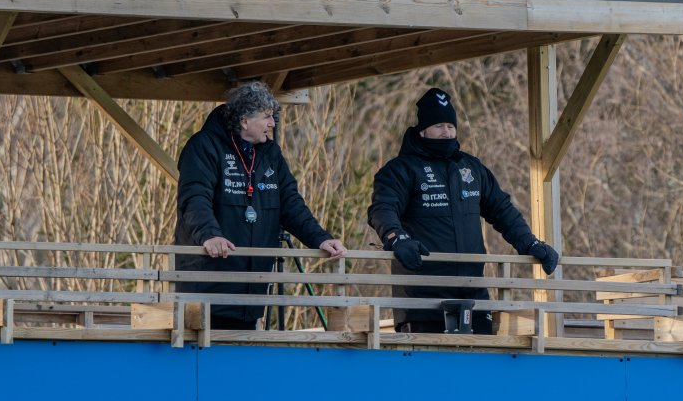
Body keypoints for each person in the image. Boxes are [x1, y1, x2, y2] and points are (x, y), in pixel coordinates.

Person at [367, 87, 558, 335]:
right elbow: (382, 208)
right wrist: (396, 238)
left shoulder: (471, 167)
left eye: (450, 125)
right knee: (429, 371)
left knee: (479, 368)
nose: (446, 132)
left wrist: (530, 243)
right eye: (438, 126)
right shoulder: (401, 169)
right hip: (422, 295)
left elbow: (501, 209)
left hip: (472, 292)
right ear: (422, 129)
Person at [175, 81, 346, 329]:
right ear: (244, 120)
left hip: (251, 292)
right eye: (267, 117)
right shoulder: (203, 147)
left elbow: (291, 204)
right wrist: (210, 236)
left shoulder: (270, 154)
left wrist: (320, 239)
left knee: (244, 361)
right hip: (207, 288)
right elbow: (194, 199)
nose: (272, 123)